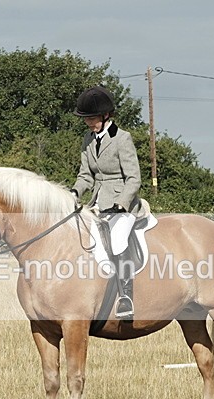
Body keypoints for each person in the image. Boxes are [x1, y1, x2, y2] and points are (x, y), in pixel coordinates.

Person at [70, 86, 142, 320]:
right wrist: (74, 192)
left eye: (91, 118)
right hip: (97, 202)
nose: (88, 123)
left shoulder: (122, 139)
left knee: (117, 239)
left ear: (105, 116)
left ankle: (126, 298)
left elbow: (134, 177)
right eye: (86, 119)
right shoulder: (88, 140)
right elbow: (86, 176)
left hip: (123, 203)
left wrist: (122, 202)